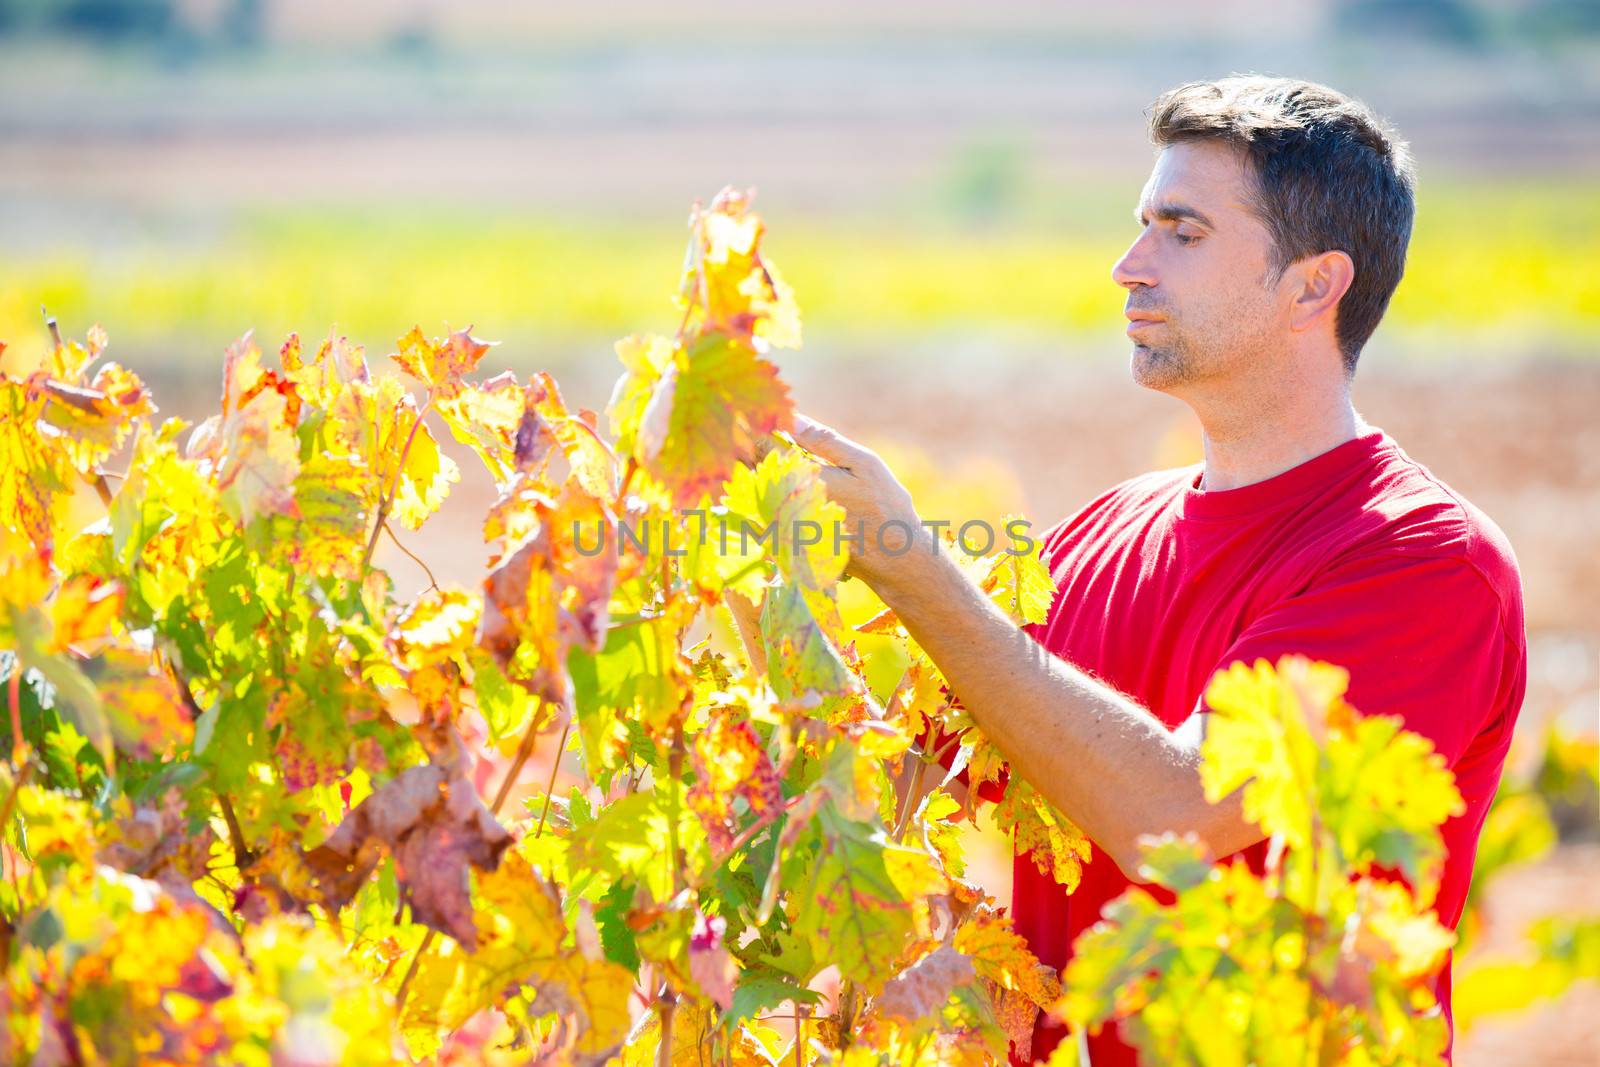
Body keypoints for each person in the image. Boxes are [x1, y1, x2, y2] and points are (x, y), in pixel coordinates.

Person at [790, 75, 1526, 1065]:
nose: (1127, 265)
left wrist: (913, 569)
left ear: (1314, 284)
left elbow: (1174, 816)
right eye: (1143, 224)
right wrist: (761, 589)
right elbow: (900, 783)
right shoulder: (1096, 531)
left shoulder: (1422, 565)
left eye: (1180, 231)